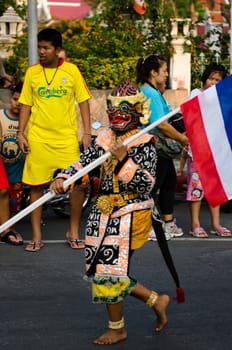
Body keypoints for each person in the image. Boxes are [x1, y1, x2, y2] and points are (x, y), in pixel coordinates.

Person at [50, 80, 173, 345]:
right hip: (101, 211)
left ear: (137, 110)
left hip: (131, 211)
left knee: (110, 272)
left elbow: (146, 185)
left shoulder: (145, 141)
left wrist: (123, 160)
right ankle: (156, 300)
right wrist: (64, 178)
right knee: (102, 270)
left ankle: (117, 328)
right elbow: (84, 163)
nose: (115, 115)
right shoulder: (104, 137)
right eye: (112, 109)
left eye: (123, 109)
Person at [18, 28, 92, 252]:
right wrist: (20, 133)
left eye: (46, 48)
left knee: (79, 185)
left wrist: (87, 132)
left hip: (66, 140)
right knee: (36, 188)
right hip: (38, 139)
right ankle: (37, 236)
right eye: (39, 47)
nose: (41, 52)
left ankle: (73, 231)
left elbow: (84, 102)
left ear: (57, 50)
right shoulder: (32, 73)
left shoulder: (71, 71)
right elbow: (25, 104)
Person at [136, 54, 188, 240]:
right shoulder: (149, 93)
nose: (166, 74)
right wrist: (182, 139)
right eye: (164, 71)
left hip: (160, 149)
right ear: (153, 72)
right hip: (154, 148)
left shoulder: (154, 92)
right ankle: (146, 226)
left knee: (168, 184)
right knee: (153, 186)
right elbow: (161, 124)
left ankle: (168, 222)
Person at [181, 62, 231, 238]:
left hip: (215, 153)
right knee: (196, 189)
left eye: (218, 80)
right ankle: (195, 224)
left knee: (215, 189)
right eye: (211, 78)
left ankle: (215, 224)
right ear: (205, 78)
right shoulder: (196, 94)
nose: (214, 83)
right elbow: (190, 119)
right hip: (198, 152)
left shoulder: (222, 100)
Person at [0, 82, 24, 245]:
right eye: (16, 99)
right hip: (3, 165)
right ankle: (5, 230)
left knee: (14, 204)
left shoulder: (29, 120)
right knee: (2, 194)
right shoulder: (1, 116)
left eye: (23, 101)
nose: (18, 104)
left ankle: (9, 229)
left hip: (18, 170)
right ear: (11, 98)